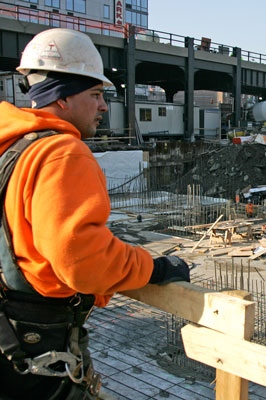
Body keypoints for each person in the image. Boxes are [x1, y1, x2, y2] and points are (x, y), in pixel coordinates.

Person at [0, 28, 191, 399]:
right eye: (96, 94)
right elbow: (83, 261)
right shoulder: (62, 154)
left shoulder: (11, 148)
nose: (104, 107)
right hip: (38, 345)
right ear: (63, 97)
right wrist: (151, 268)